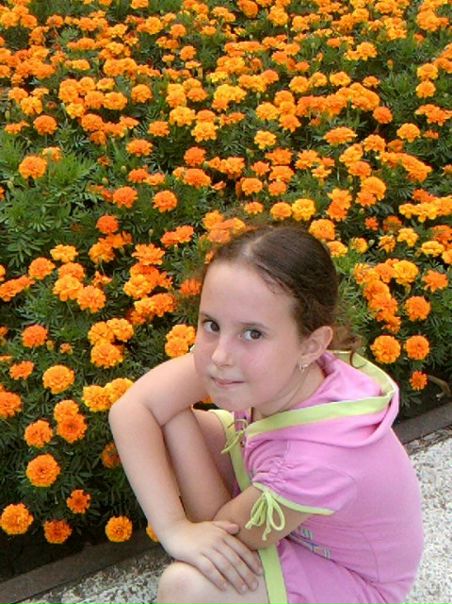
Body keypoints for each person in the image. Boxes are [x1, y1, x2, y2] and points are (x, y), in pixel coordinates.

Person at [109, 225, 423, 604]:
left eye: (253, 334)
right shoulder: (285, 368)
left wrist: (172, 414)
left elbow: (224, 532)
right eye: (212, 325)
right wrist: (173, 528)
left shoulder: (314, 460)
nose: (220, 355)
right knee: (163, 418)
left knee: (186, 587)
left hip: (352, 583)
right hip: (288, 511)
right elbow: (131, 410)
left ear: (311, 345)